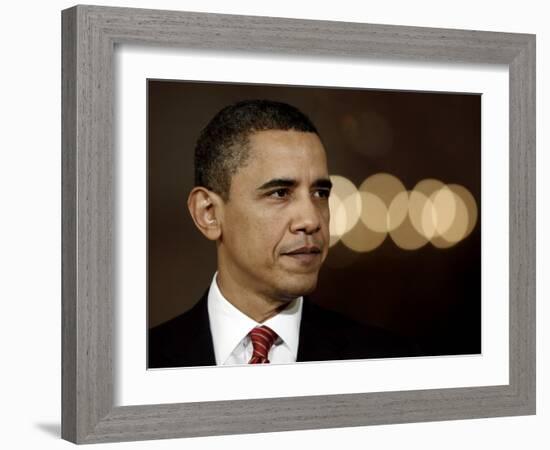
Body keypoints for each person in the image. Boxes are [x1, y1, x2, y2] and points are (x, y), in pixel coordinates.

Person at [148, 99, 415, 368]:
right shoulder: (138, 364)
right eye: (280, 193)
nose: (311, 220)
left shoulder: (389, 361)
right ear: (209, 213)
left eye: (320, 193)